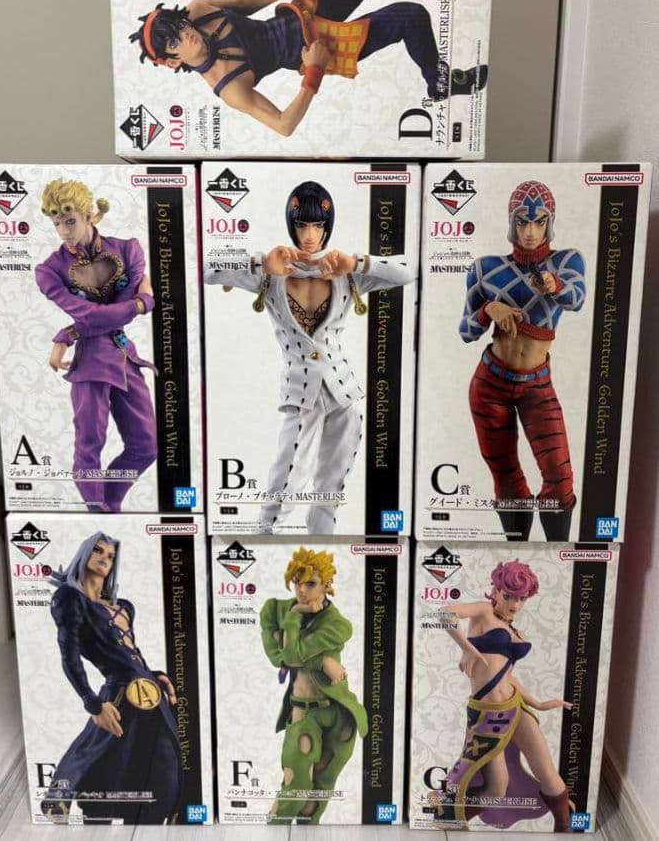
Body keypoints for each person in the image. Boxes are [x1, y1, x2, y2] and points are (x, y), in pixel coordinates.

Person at [130, 0, 488, 137]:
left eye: (179, 25)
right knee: (411, 16)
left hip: (307, 8)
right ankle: (440, 83)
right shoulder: (228, 86)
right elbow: (283, 125)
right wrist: (313, 71)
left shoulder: (198, 11)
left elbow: (245, 2)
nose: (185, 33)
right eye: (175, 40)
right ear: (173, 60)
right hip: (319, 47)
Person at [205, 179, 416, 532]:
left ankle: (323, 544)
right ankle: (264, 542)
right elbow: (205, 267)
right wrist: (260, 262)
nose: (309, 235)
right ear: (291, 225)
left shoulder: (345, 274)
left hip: (343, 392)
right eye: (302, 225)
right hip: (301, 393)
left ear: (327, 227)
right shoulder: (271, 274)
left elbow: (408, 272)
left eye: (317, 226)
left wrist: (357, 262)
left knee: (331, 487)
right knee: (286, 480)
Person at [459, 180, 586, 541]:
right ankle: (514, 553)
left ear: (550, 223)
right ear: (511, 222)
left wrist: (554, 284)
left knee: (559, 478)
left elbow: (577, 299)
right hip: (489, 385)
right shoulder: (484, 268)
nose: (530, 232)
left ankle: (557, 558)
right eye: (522, 221)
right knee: (506, 478)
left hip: (537, 386)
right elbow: (466, 331)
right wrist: (488, 309)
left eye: (539, 222)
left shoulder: (567, 261)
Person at [40, 532, 182, 825]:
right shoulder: (70, 598)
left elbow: (129, 655)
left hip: (150, 693)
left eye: (111, 555)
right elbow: (70, 657)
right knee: (96, 751)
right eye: (98, 551)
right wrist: (92, 703)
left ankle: (150, 821)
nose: (105, 558)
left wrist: (155, 675)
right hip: (118, 692)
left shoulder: (124, 606)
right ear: (84, 553)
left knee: (162, 765)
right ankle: (60, 799)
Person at [35, 178, 158, 512]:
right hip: (90, 364)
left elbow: (102, 317)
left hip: (125, 358)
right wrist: (140, 303)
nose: (63, 231)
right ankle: (98, 512)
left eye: (70, 221)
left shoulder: (128, 250)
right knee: (89, 447)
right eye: (56, 223)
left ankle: (108, 506)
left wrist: (68, 333)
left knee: (146, 446)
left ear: (89, 215)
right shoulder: (49, 270)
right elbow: (93, 314)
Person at [433, 559, 573, 832]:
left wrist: (539, 704)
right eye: (508, 595)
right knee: (496, 787)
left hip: (515, 706)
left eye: (521, 598)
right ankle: (449, 819)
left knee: (549, 775)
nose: (514, 604)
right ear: (496, 591)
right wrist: (467, 648)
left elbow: (506, 676)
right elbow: (444, 613)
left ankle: (564, 829)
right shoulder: (483, 611)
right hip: (488, 717)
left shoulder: (513, 629)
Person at [260, 546, 367, 825]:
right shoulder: (275, 610)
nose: (301, 590)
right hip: (302, 711)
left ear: (327, 585)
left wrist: (304, 650)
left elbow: (293, 655)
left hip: (339, 714)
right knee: (295, 787)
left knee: (317, 794)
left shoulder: (339, 624)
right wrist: (296, 615)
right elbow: (282, 658)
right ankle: (274, 829)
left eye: (310, 583)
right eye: (297, 582)